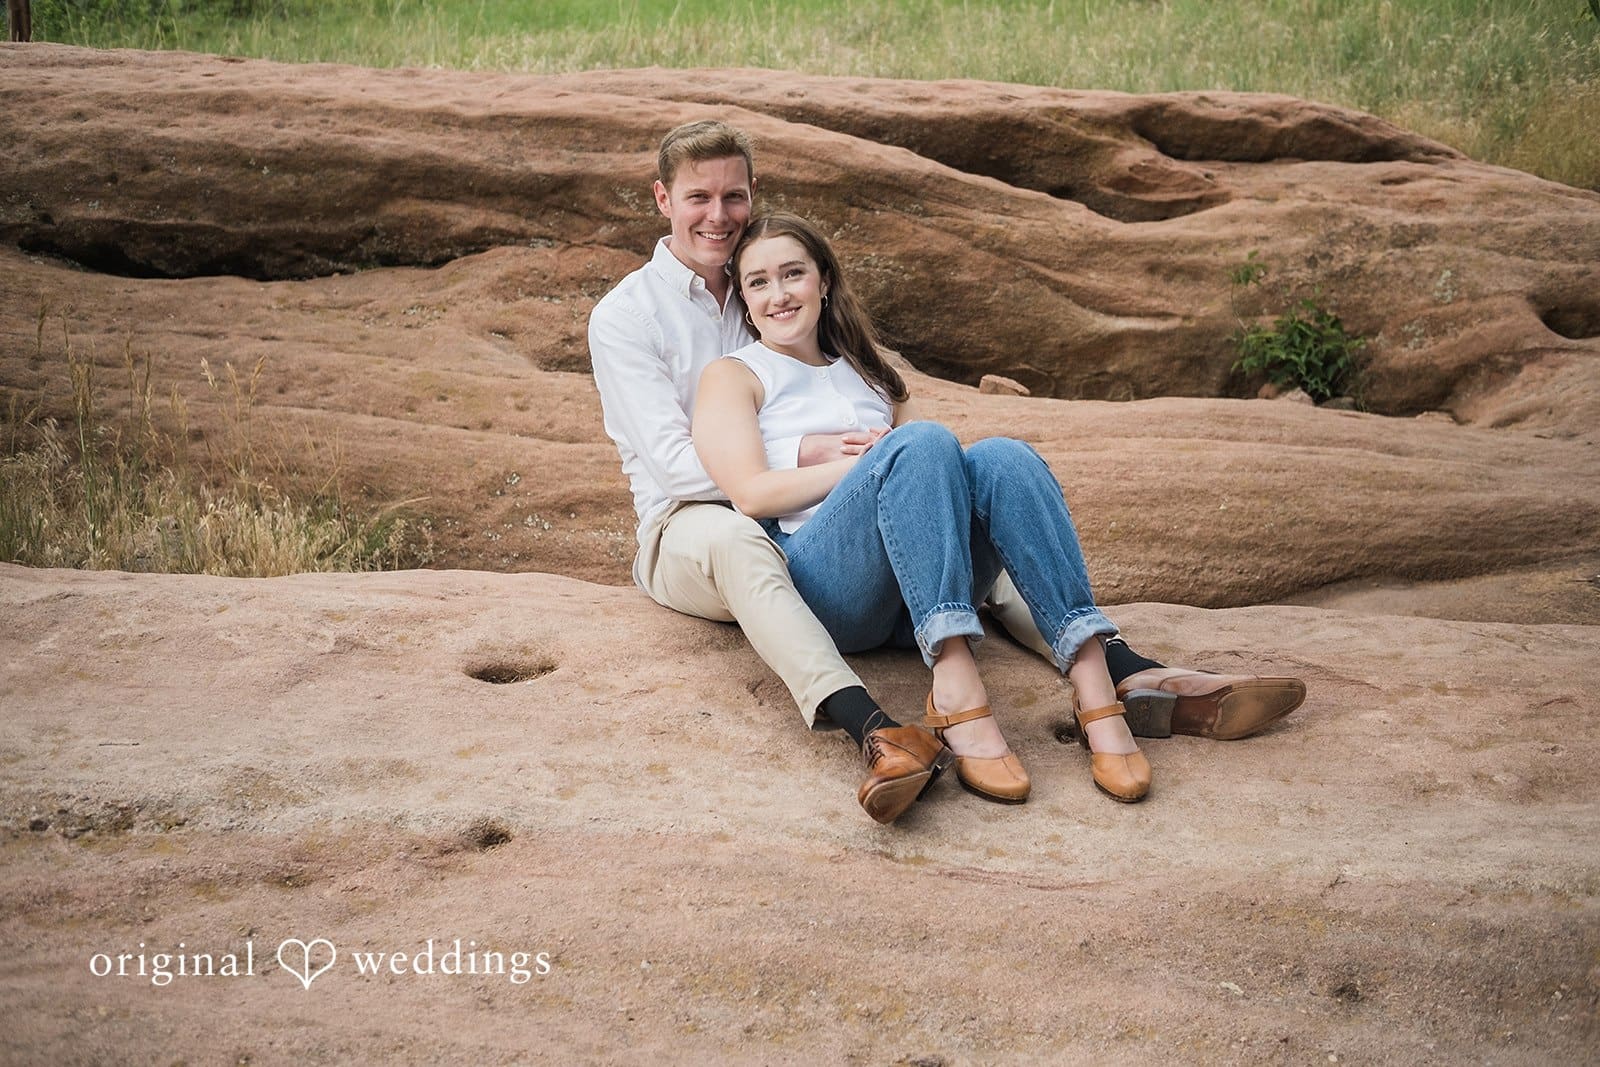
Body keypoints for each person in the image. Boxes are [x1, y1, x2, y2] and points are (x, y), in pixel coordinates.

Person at [588, 121, 1305, 818]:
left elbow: (909, 457)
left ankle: (1111, 671)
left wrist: (899, 470)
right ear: (662, 200)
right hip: (693, 518)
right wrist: (837, 461)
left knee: (994, 459)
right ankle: (870, 723)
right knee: (771, 525)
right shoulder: (634, 318)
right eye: (698, 199)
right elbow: (692, 471)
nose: (719, 215)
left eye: (733, 197)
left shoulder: (820, 338)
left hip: (848, 538)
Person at [694, 211, 1161, 801]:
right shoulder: (736, 375)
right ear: (742, 295)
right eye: (758, 282)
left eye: (793, 274)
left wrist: (899, 456)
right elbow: (750, 494)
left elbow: (936, 473)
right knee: (920, 441)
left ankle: (1092, 671)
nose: (779, 294)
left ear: (825, 281)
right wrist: (865, 465)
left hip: (916, 591)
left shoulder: (870, 368)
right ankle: (955, 676)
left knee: (1002, 457)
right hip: (833, 587)